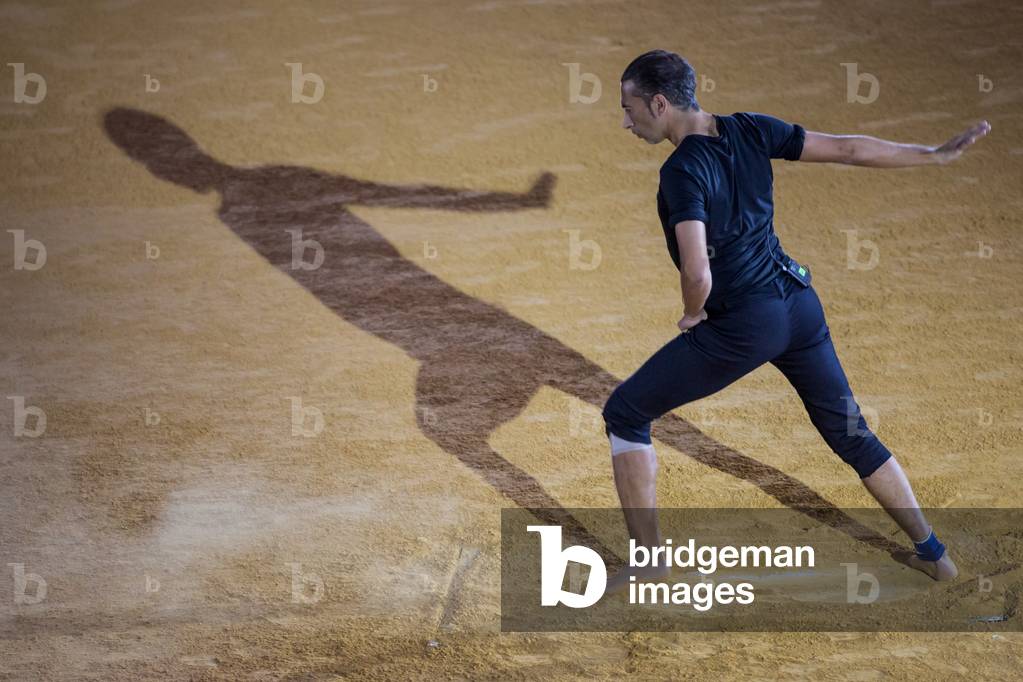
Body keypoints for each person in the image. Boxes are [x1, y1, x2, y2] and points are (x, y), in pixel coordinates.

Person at [602, 49, 990, 593]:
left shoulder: (681, 170)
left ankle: (648, 562)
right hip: (800, 305)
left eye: (629, 107)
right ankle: (933, 554)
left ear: (660, 103)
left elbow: (698, 269)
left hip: (747, 325)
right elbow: (850, 149)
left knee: (626, 411)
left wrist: (694, 313)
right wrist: (932, 154)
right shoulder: (752, 128)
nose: (625, 120)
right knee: (852, 433)